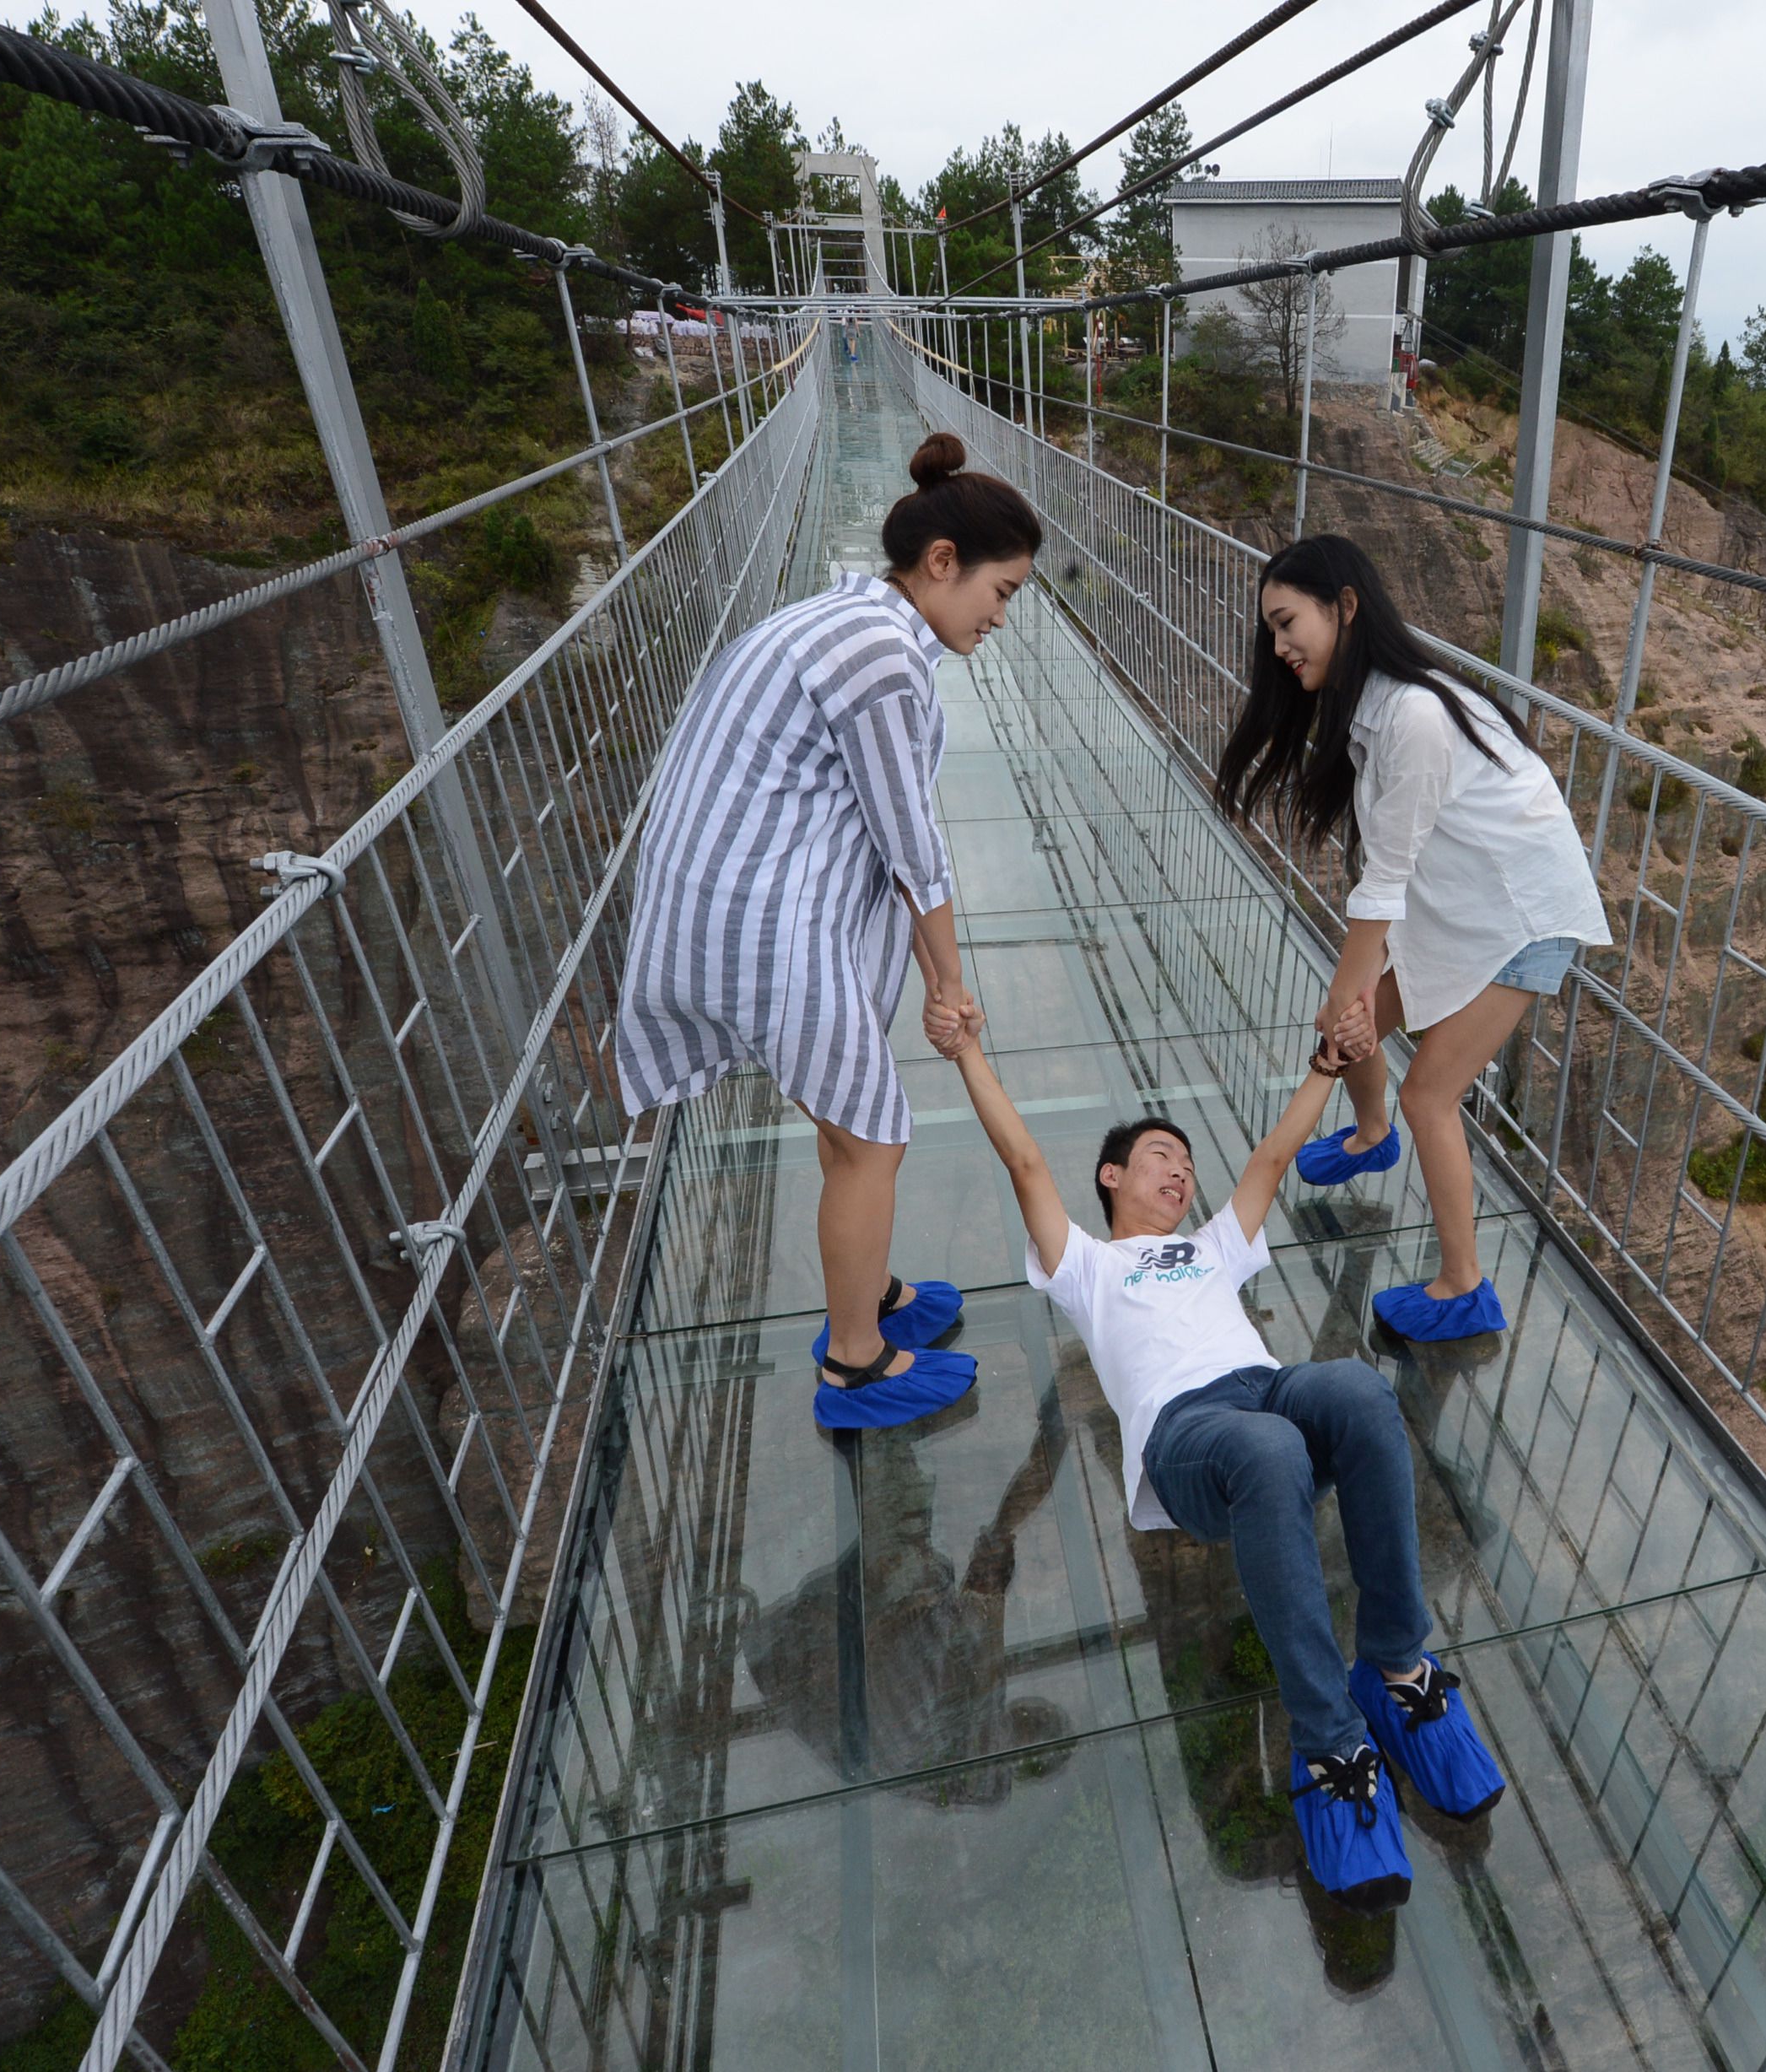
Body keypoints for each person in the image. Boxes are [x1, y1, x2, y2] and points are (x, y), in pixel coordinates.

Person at [942, 1023, 1508, 1916]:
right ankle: (1327, 1741)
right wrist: (971, 1049)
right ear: (1111, 1177)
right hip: (1189, 1433)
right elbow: (1022, 1161)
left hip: (1265, 1388)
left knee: (1361, 1392)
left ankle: (1397, 1671)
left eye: (1186, 1161)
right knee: (1270, 1447)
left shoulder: (1212, 1244)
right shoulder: (1085, 1263)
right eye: (1159, 1155)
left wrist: (1326, 1068)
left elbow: (1274, 1159)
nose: (1178, 1170)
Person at [615, 431, 1041, 1430]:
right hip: (762, 920)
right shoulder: (884, 659)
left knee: (847, 1117)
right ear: (944, 563)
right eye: (1004, 590)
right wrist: (948, 982)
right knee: (875, 1136)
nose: (1001, 616)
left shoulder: (844, 617)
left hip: (725, 899)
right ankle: (855, 1360)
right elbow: (911, 840)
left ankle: (872, 1288)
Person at [1212, 535, 1609, 1343]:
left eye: (1290, 625)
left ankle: (1464, 1288)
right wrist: (1351, 995)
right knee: (1350, 1019)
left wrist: (1348, 992)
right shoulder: (1377, 704)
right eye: (1273, 634)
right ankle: (1368, 1136)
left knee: (1428, 1089)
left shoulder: (1414, 713)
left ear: (1346, 607)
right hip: (1461, 902)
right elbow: (1392, 869)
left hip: (1521, 917)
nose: (1281, 648)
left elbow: (1385, 878)